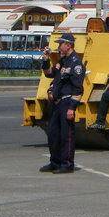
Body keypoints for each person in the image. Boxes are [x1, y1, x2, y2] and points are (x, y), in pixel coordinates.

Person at [39, 33, 84, 174]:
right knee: (53, 134)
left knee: (66, 135)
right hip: (56, 103)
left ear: (68, 45)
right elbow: (49, 73)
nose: (58, 46)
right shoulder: (62, 60)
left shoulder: (76, 63)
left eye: (61, 44)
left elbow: (78, 89)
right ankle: (55, 162)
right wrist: (45, 59)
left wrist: (72, 108)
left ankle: (67, 164)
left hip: (66, 102)